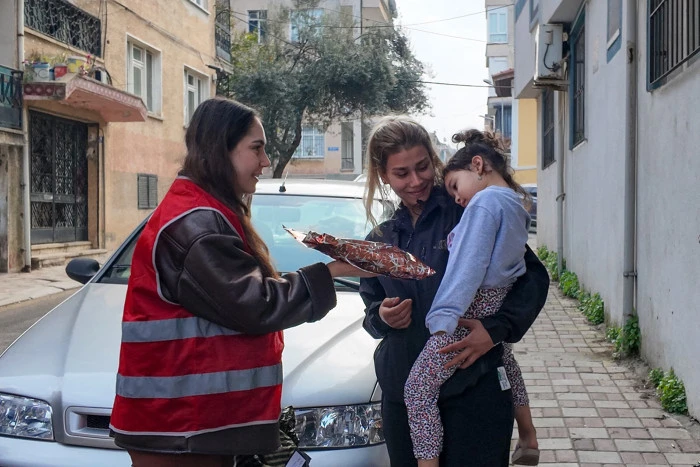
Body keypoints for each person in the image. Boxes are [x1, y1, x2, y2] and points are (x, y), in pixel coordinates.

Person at [109, 97, 369, 467]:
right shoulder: (195, 224)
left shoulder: (202, 210)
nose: (266, 162)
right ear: (221, 150)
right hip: (181, 427)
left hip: (188, 426)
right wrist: (333, 272)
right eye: (256, 148)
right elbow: (255, 304)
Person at [360, 116, 549, 467]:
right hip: (404, 396)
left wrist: (495, 330)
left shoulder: (470, 208)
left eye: (422, 167)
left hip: (474, 393)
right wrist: (381, 317)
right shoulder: (381, 238)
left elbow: (532, 279)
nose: (416, 181)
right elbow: (370, 308)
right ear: (383, 175)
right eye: (401, 173)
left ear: (433, 160)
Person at [403, 129, 539, 467]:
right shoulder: (515, 204)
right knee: (506, 362)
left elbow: (468, 265)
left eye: (455, 186)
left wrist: (443, 317)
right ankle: (528, 436)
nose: (456, 199)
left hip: (471, 307)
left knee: (417, 389)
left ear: (478, 165)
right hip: (497, 301)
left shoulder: (485, 203)